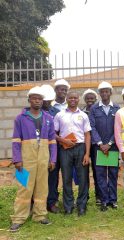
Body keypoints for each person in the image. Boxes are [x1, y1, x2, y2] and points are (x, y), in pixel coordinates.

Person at [9, 86, 57, 232]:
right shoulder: (20, 118)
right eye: (34, 98)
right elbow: (16, 140)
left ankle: (40, 215)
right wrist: (17, 159)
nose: (37, 101)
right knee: (23, 187)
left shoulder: (48, 118)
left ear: (43, 101)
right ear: (29, 100)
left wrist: (52, 159)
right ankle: (18, 218)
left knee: (42, 187)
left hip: (43, 158)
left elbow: (52, 141)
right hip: (25, 159)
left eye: (40, 99)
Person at [54, 92, 91, 216]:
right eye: (70, 98)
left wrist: (87, 154)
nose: (73, 100)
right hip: (65, 149)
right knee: (66, 178)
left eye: (75, 97)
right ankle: (68, 206)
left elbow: (87, 135)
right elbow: (53, 133)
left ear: (78, 99)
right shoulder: (60, 115)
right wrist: (64, 140)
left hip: (80, 148)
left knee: (83, 178)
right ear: (67, 99)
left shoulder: (83, 115)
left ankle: (82, 206)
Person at [89, 81, 120, 211]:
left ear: (110, 93)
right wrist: (101, 143)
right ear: (99, 93)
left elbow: (118, 129)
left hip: (112, 147)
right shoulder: (94, 109)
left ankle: (113, 200)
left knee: (113, 174)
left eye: (107, 91)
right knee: (100, 175)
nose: (104, 93)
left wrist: (110, 143)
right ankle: (104, 200)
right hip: (99, 147)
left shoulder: (117, 109)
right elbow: (92, 127)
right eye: (102, 91)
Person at [40, 85, 61, 214]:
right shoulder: (31, 112)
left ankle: (51, 202)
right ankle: (36, 203)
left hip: (54, 149)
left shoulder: (56, 112)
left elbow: (58, 132)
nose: (47, 102)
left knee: (53, 177)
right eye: (45, 100)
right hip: (37, 150)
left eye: (49, 100)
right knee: (37, 177)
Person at [81, 88, 101, 204]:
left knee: (97, 171)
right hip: (84, 146)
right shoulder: (81, 112)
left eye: (92, 98)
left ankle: (99, 195)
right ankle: (85, 196)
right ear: (84, 99)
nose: (90, 100)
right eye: (87, 98)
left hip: (97, 145)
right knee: (84, 172)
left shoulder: (99, 111)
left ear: (95, 99)